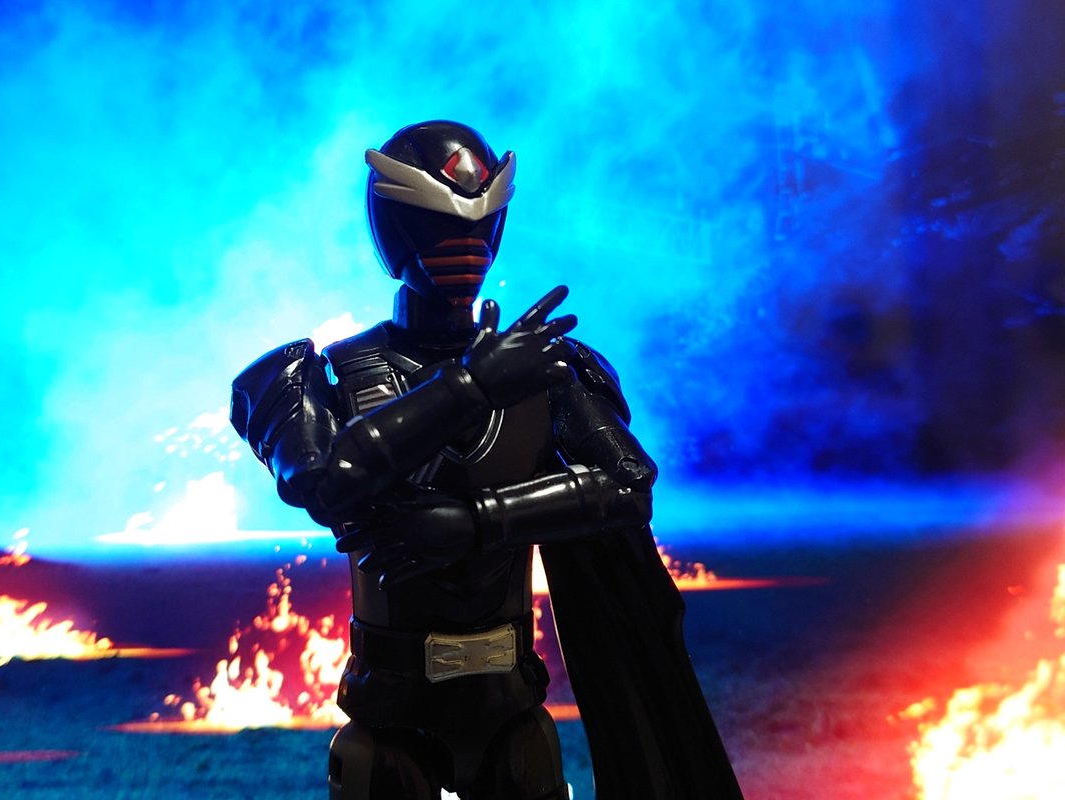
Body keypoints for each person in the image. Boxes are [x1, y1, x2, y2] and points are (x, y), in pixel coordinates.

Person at [230, 120, 742, 800]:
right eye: (441, 228)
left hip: (509, 700)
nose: (465, 249)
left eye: (478, 228)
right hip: (390, 706)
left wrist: (478, 520)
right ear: (396, 229)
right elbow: (325, 481)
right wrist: (470, 386)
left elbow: (629, 485)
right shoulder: (331, 375)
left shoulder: (544, 368)